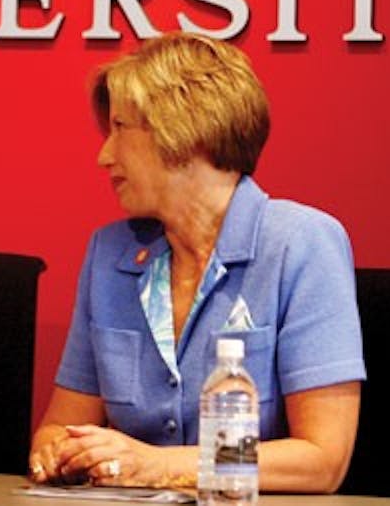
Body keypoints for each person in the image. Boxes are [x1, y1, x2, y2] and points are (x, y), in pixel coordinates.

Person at [29, 32, 365, 493]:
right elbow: (58, 428)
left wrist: (160, 466)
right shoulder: (109, 254)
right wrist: (58, 452)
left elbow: (322, 460)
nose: (104, 156)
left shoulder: (300, 243)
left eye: (121, 128)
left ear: (184, 129)